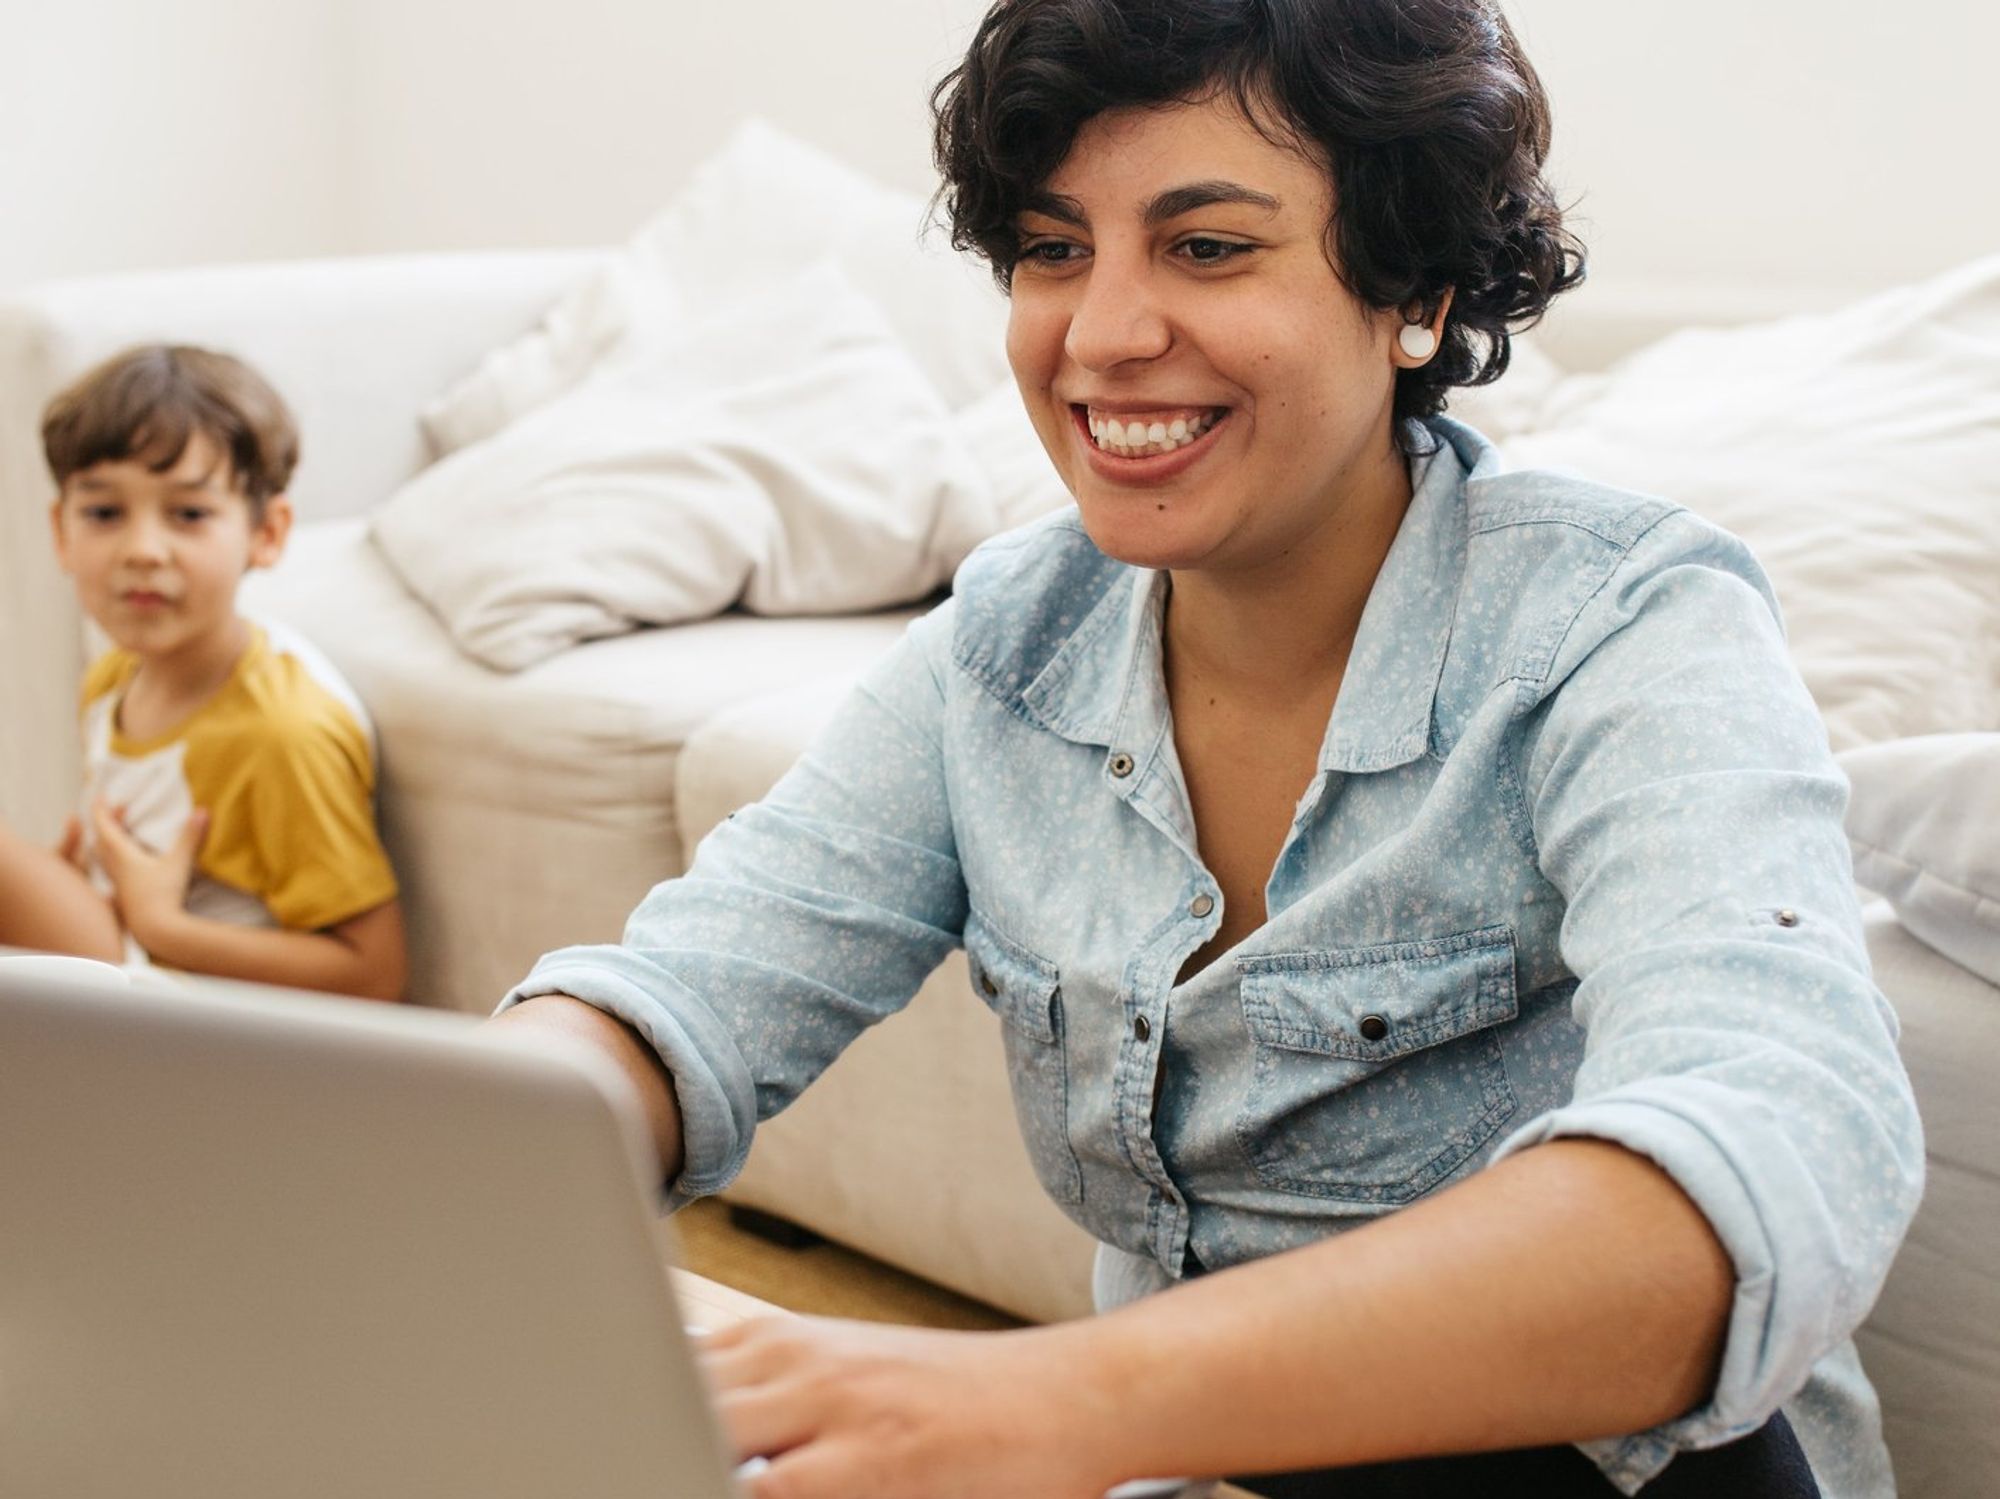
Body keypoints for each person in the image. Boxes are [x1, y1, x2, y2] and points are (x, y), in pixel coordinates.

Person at [496, 1, 1921, 1493]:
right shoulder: (1002, 651)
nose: (1102, 333)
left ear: (1417, 295)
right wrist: (488, 1132)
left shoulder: (1627, 625)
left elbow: (1772, 1151)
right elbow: (693, 996)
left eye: (1208, 245)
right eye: (1054, 248)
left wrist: (1042, 1401)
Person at [0, 345, 406, 1000]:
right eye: (104, 513)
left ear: (266, 533)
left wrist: (164, 924)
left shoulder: (282, 730)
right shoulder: (113, 679)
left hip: (185, 1006)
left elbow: (373, 974)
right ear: (61, 532)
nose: (142, 550)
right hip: (127, 950)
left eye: (188, 514)